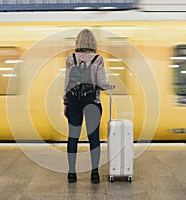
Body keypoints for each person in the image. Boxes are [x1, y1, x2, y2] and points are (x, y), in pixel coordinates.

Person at [63, 29, 115, 184]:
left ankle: (71, 173)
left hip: (73, 102)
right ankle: (95, 174)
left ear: (77, 42)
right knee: (94, 138)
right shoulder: (98, 59)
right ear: (93, 42)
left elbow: (67, 83)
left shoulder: (70, 58)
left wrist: (65, 102)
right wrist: (110, 85)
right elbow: (101, 83)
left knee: (73, 137)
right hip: (93, 103)